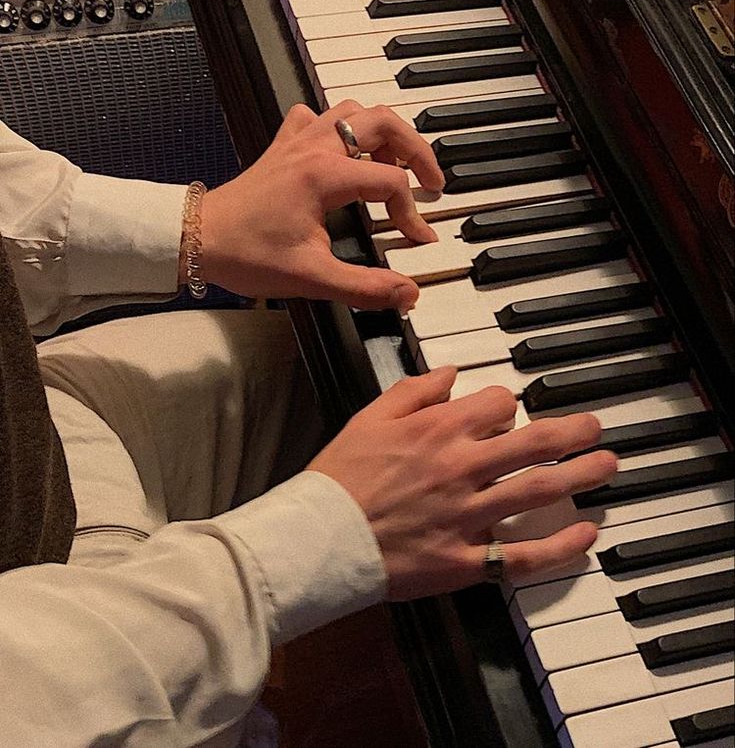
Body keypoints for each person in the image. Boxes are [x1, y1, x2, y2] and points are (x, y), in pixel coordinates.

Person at [0, 100, 616, 746]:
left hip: (35, 422)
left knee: (359, 373)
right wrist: (324, 537)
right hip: (50, 667)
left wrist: (193, 226)